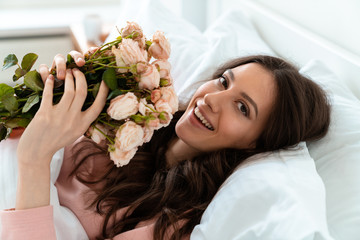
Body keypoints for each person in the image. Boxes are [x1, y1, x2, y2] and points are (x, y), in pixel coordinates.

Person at [0, 53, 330, 240]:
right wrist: (47, 101)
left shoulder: (179, 219)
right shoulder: (135, 110)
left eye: (242, 108)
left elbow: (34, 157)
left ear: (255, 143)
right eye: (224, 81)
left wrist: (33, 162)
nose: (212, 99)